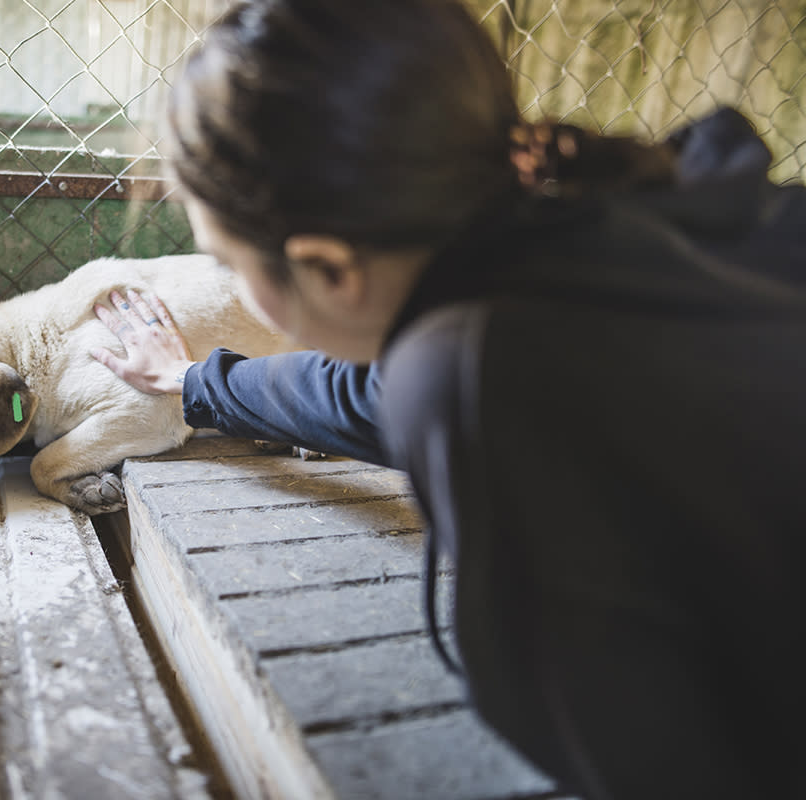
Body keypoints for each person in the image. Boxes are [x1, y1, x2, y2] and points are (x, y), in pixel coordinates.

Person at [89, 0, 806, 797]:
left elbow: (645, 756)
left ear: (328, 267)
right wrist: (196, 382)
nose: (237, 290)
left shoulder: (471, 368)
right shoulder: (617, 216)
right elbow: (362, 393)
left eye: (229, 263)